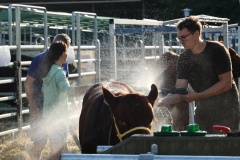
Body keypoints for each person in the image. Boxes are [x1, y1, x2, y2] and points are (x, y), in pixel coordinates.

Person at [157, 16, 240, 133]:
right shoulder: (183, 59)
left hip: (227, 112)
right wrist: (159, 102)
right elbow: (180, 91)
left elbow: (226, 83)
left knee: (225, 148)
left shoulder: (217, 50)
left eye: (184, 37)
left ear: (196, 34)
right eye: (179, 38)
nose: (181, 41)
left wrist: (198, 96)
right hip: (203, 113)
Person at [24, 34, 72, 159]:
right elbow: (28, 83)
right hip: (40, 107)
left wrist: (71, 102)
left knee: (61, 145)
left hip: (57, 110)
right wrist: (33, 106)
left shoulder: (63, 59)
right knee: (40, 144)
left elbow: (65, 83)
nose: (65, 54)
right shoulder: (39, 60)